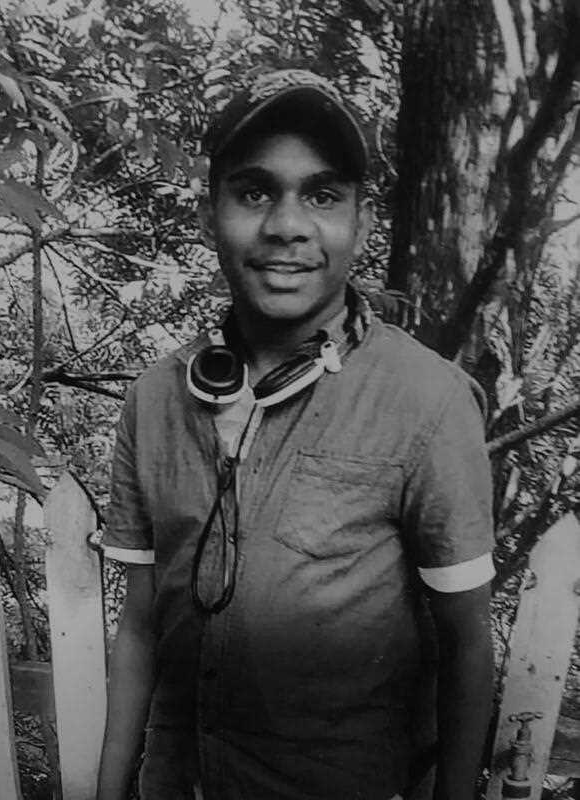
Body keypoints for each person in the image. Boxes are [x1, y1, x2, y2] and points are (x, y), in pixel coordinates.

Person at [97, 69, 495, 800]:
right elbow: (140, 628)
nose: (286, 225)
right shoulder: (154, 399)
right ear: (206, 213)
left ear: (363, 223)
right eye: (253, 192)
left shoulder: (428, 402)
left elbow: (467, 644)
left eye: (322, 194)